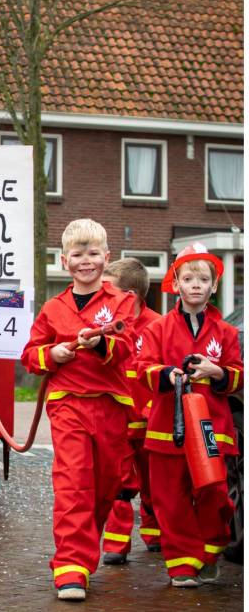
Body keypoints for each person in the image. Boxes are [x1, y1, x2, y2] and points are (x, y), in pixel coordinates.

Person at [20, 218, 137, 602]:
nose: (85, 261)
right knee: (73, 484)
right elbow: (30, 355)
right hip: (68, 404)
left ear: (107, 257)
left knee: (104, 486)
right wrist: (51, 353)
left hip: (111, 406)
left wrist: (101, 345)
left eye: (93, 254)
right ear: (63, 260)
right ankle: (70, 566)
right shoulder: (54, 308)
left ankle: (84, 552)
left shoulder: (122, 301)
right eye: (77, 254)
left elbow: (128, 346)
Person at [135, 243, 243, 588]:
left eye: (203, 279)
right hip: (168, 427)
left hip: (214, 430)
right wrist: (167, 375)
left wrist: (217, 371)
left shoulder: (226, 333)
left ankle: (209, 552)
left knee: (215, 494)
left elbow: (238, 374)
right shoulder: (158, 329)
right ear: (176, 284)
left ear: (214, 286)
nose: (196, 284)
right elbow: (142, 368)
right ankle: (182, 564)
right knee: (170, 497)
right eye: (188, 278)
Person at [100, 258, 163, 564]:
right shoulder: (109, 324)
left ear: (132, 297)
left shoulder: (159, 327)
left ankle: (154, 531)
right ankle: (116, 544)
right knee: (120, 483)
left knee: (155, 482)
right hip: (120, 422)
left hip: (153, 422)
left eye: (109, 291)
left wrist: (154, 407)